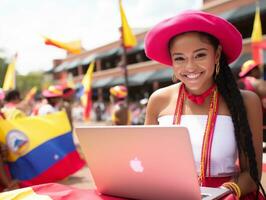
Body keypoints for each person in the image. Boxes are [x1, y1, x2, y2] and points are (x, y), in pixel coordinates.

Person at [144, 10, 265, 199]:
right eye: (180, 58)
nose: (190, 67)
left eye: (200, 55)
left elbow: (252, 175)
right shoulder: (158, 100)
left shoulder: (246, 102)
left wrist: (225, 193)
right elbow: (146, 163)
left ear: (216, 55)